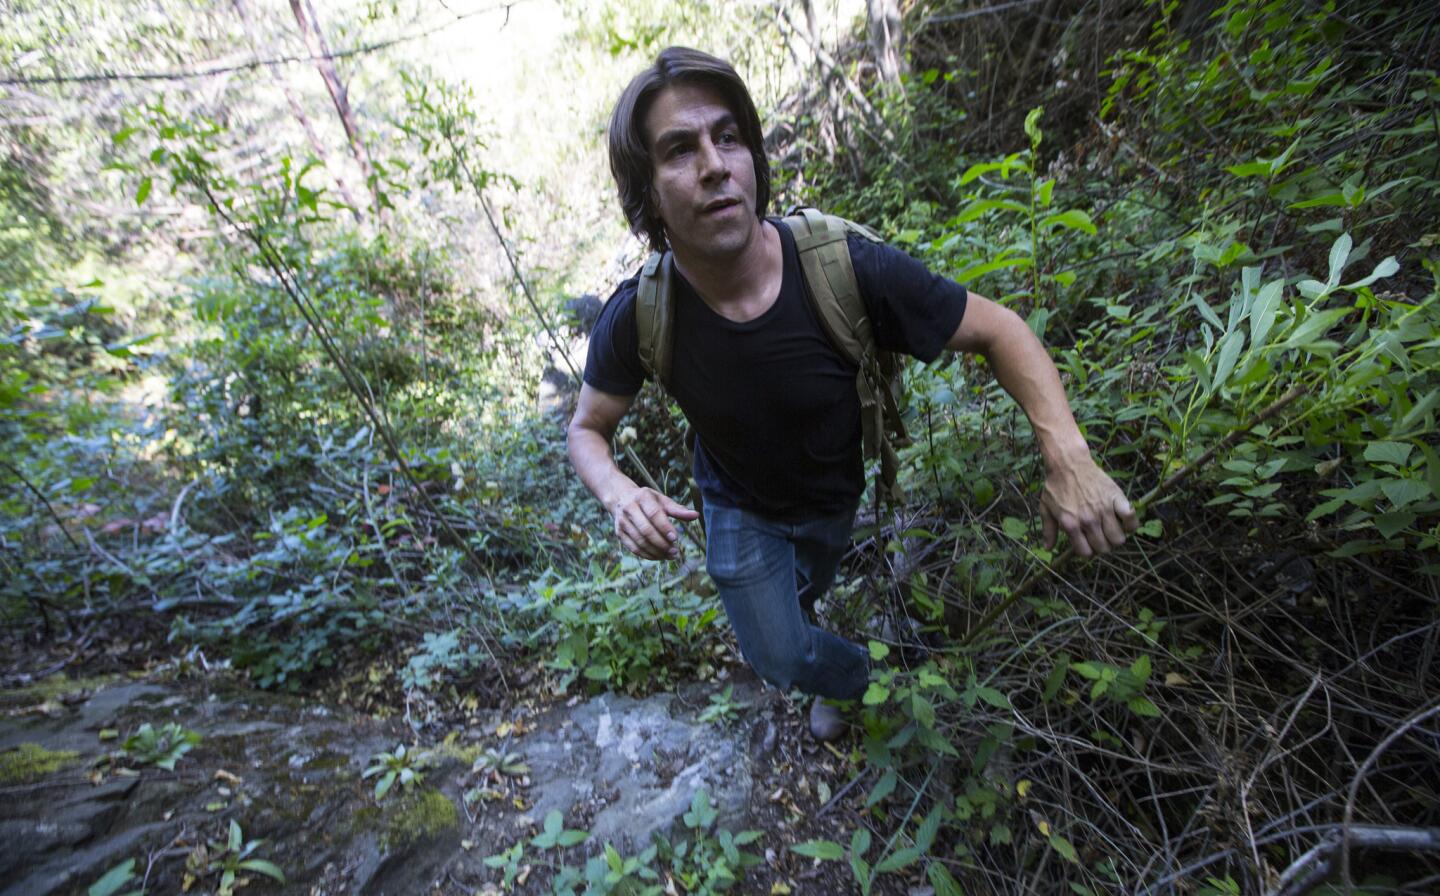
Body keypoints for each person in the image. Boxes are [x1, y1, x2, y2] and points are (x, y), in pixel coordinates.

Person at [567, 47, 1136, 741]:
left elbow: (1000, 330)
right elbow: (588, 428)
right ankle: (864, 681)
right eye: (680, 151)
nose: (715, 164)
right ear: (649, 192)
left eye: (728, 137)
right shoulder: (640, 315)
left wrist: (1068, 456)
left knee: (805, 593)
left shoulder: (842, 268)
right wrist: (620, 494)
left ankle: (814, 643)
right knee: (777, 652)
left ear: (751, 157)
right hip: (734, 507)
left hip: (836, 493)